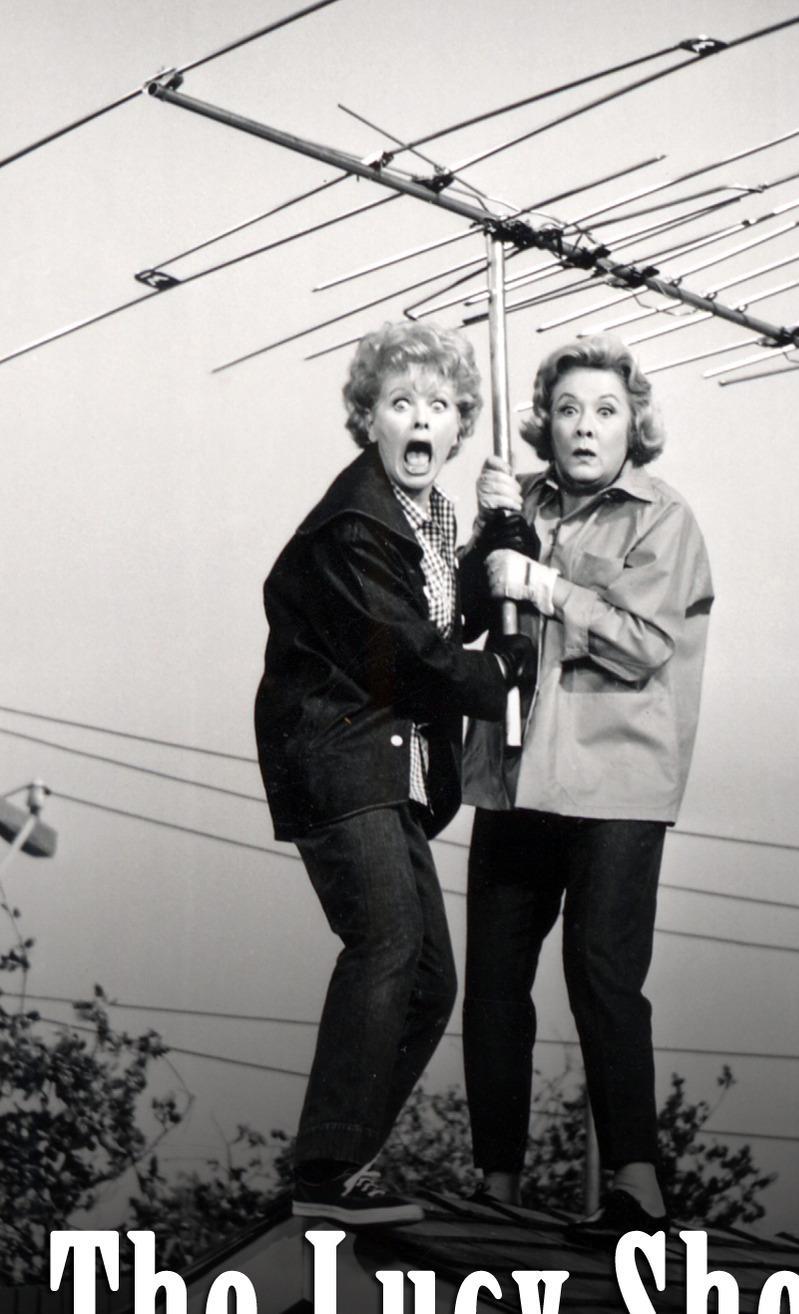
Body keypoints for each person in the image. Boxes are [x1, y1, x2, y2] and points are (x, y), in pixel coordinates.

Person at [254, 320, 534, 1225]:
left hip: (390, 765)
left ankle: (347, 1163)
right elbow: (408, 656)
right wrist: (503, 676)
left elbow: (462, 603)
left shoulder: (430, 518)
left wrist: (507, 525)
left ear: (459, 428)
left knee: (429, 982)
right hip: (339, 759)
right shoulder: (355, 524)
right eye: (401, 403)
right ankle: (328, 1170)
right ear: (366, 419)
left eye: (441, 407)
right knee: (385, 946)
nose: (421, 420)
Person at [460, 334, 713, 1238]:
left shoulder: (662, 519)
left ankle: (637, 1184)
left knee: (602, 977)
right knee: (491, 983)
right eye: (567, 409)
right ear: (544, 423)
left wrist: (549, 585)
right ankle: (496, 1183)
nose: (584, 426)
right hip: (517, 777)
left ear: (633, 425)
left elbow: (646, 643)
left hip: (615, 784)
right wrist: (489, 527)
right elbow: (466, 618)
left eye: (605, 410)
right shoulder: (522, 504)